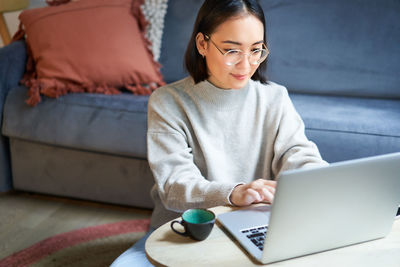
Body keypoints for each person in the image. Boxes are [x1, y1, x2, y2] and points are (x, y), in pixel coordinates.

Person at [111, 0, 328, 266]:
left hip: (255, 227)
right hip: (185, 232)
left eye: (256, 50)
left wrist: (320, 180)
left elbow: (298, 153)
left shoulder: (275, 97)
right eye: (231, 50)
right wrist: (234, 192)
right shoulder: (168, 102)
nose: (246, 65)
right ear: (202, 44)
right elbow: (175, 186)